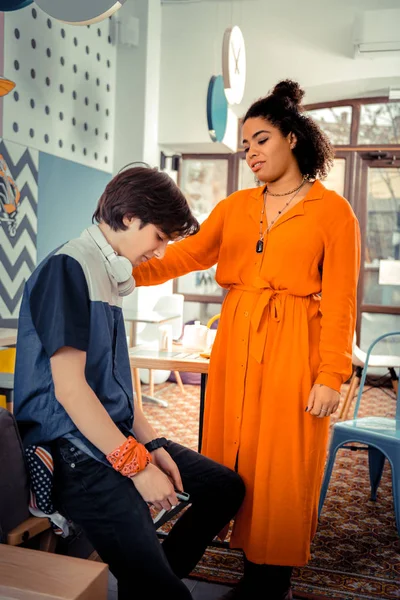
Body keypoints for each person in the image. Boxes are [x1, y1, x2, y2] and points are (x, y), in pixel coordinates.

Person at [131, 81, 361, 599]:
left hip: (294, 343)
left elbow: (344, 300)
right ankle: (193, 561)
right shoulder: (235, 206)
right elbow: (185, 256)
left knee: (283, 462)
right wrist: (124, 269)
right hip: (236, 342)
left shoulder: (332, 212)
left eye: (261, 140)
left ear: (293, 138)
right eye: (246, 145)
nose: (251, 153)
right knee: (228, 457)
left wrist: (332, 374)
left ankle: (268, 578)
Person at [13, 166, 245, 600]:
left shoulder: (108, 274)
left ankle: (153, 582)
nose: (160, 253)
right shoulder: (69, 268)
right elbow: (70, 390)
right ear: (130, 216)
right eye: (160, 237)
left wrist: (154, 445)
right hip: (72, 452)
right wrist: (137, 467)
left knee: (224, 487)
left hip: (110, 435)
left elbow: (116, 385)